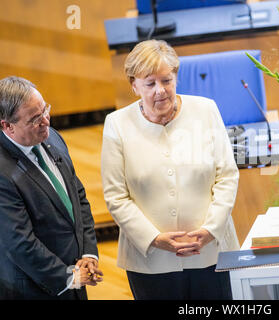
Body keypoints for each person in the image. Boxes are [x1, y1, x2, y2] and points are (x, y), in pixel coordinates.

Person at [101, 40, 240, 300]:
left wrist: (210, 229)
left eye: (167, 80)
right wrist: (154, 238)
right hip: (150, 261)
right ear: (134, 85)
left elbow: (227, 175)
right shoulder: (116, 124)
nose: (160, 91)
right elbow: (116, 196)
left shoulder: (206, 110)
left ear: (176, 76)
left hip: (212, 253)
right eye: (150, 83)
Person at [0, 76, 103, 299]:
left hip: (76, 275)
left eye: (45, 109)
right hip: (35, 288)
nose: (46, 120)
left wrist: (88, 253)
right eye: (34, 119)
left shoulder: (52, 137)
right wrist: (67, 277)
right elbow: (20, 242)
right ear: (7, 126)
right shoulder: (2, 172)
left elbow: (78, 196)